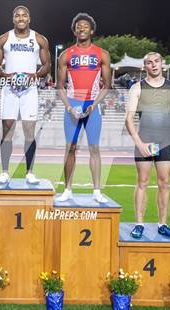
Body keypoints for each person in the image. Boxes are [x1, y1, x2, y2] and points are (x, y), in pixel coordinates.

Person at [125, 52, 170, 239]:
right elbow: (129, 118)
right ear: (145, 67)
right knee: (142, 182)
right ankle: (139, 224)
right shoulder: (137, 88)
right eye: (149, 63)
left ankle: (162, 224)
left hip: (166, 141)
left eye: (156, 61)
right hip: (145, 140)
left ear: (162, 64)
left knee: (164, 183)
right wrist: (139, 142)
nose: (153, 65)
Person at [56, 13, 111, 203]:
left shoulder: (102, 54)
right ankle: (67, 189)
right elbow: (60, 86)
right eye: (78, 26)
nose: (81, 29)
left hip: (92, 106)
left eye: (85, 26)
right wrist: (69, 107)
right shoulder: (65, 55)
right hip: (73, 104)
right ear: (74, 30)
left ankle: (96, 191)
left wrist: (94, 104)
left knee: (94, 148)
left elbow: (106, 85)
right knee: (70, 148)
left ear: (92, 30)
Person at [0, 5, 50, 184]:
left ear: (29, 18)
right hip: (9, 90)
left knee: (29, 132)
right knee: (7, 130)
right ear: (13, 19)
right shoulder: (3, 39)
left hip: (29, 91)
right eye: (17, 15)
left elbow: (47, 65)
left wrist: (35, 75)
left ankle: (30, 172)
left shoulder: (39, 39)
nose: (21, 18)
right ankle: (4, 172)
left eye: (24, 15)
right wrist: (6, 76)